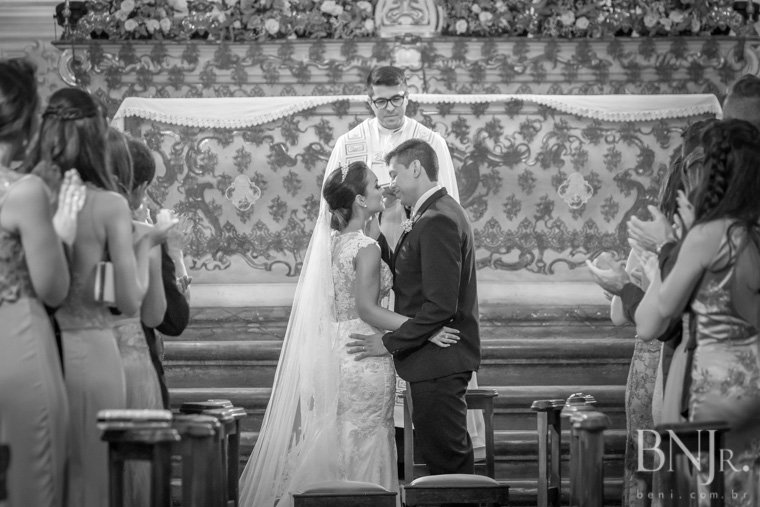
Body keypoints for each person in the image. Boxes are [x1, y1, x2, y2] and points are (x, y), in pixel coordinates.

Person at [238, 160, 458, 507]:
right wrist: (424, 330)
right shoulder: (366, 248)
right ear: (359, 199)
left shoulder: (334, 244)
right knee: (367, 438)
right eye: (375, 185)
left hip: (337, 349)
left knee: (340, 436)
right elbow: (368, 309)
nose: (383, 188)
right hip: (364, 353)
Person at [325, 65, 485, 459]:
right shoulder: (351, 146)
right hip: (390, 327)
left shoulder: (434, 203)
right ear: (370, 101)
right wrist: (376, 227)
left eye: (396, 98)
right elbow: (388, 271)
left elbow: (438, 298)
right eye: (380, 101)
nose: (389, 185)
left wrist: (400, 339)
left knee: (435, 450)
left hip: (414, 332)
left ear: (407, 96)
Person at [24, 87, 169, 507]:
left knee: (49, 475)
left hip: (36, 350)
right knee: (97, 476)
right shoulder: (108, 205)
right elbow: (129, 301)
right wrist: (148, 244)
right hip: (94, 348)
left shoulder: (27, 192)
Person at [636, 119, 760, 505]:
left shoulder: (708, 234)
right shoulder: (751, 234)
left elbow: (665, 307)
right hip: (752, 380)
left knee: (709, 489)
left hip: (715, 385)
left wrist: (666, 246)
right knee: (747, 487)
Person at [349, 139, 481, 481]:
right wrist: (376, 231)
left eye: (394, 174)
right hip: (433, 361)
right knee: (444, 462)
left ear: (417, 168)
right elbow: (408, 274)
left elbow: (440, 306)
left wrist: (389, 343)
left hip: (439, 363)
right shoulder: (431, 213)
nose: (391, 184)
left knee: (449, 466)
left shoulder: (437, 219)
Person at [0, 58, 83, 507]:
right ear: (25, 121)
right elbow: (53, 289)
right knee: (31, 488)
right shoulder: (23, 192)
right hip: (16, 351)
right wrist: (63, 232)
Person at [126, 136, 190, 409]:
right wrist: (171, 251)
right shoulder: (144, 236)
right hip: (134, 365)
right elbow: (170, 320)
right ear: (140, 189)